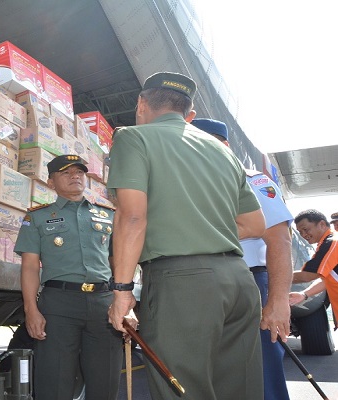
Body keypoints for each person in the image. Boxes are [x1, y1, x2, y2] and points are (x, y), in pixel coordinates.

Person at [106, 71, 266, 399]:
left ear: (141, 104)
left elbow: (132, 216)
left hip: (183, 284)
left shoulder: (133, 138)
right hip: (238, 280)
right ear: (189, 115)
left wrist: (122, 291)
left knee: (182, 388)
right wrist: (200, 228)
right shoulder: (224, 152)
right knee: (239, 389)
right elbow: (254, 225)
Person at [191, 118, 293, 400]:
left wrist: (278, 300)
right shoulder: (184, 184)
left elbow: (279, 241)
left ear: (224, 144)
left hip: (248, 282)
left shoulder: (253, 180)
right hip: (196, 283)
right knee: (209, 374)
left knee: (261, 371)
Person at [14, 154, 125, 400]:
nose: (75, 176)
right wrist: (31, 310)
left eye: (79, 172)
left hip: (103, 304)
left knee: (105, 382)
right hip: (59, 304)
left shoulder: (108, 215)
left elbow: (119, 263)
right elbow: (31, 267)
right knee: (54, 382)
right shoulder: (37, 217)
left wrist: (124, 302)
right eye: (66, 172)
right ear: (51, 182)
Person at [288, 210, 338, 314]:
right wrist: (304, 294)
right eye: (300, 232)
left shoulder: (332, 243)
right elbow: (326, 279)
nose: (304, 235)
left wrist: (271, 279)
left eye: (306, 229)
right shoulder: (326, 244)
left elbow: (308, 275)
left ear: (322, 224)